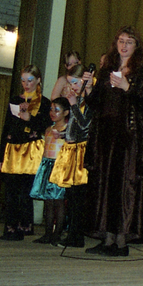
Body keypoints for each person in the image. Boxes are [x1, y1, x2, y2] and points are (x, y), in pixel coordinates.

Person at [84, 26, 143, 257]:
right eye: (121, 40)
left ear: (136, 46)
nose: (124, 45)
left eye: (129, 41)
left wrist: (127, 87)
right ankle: (107, 238)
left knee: (124, 187)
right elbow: (95, 103)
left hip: (129, 137)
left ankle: (121, 242)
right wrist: (89, 88)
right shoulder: (108, 68)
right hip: (105, 136)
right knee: (105, 186)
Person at [0, 65, 51, 240]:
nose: (26, 84)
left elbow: (45, 126)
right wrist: (0, 155)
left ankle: (23, 226)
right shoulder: (14, 99)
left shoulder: (44, 102)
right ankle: (10, 227)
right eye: (23, 80)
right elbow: (7, 127)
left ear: (38, 80)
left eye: (30, 80)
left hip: (31, 150)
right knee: (11, 190)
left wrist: (30, 119)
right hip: (13, 149)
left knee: (24, 190)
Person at [53, 64, 92, 248]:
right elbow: (74, 126)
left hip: (81, 152)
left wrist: (74, 104)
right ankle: (72, 234)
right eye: (70, 83)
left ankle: (77, 236)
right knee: (71, 196)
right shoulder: (77, 101)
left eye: (75, 82)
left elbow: (85, 125)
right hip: (70, 150)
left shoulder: (88, 102)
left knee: (78, 198)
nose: (72, 86)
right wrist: (63, 135)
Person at [30, 98, 70, 244]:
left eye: (57, 110)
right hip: (46, 166)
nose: (53, 113)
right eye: (51, 109)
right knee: (48, 201)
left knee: (58, 201)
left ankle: (57, 234)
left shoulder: (67, 130)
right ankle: (47, 233)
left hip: (59, 168)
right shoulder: (48, 129)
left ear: (66, 112)